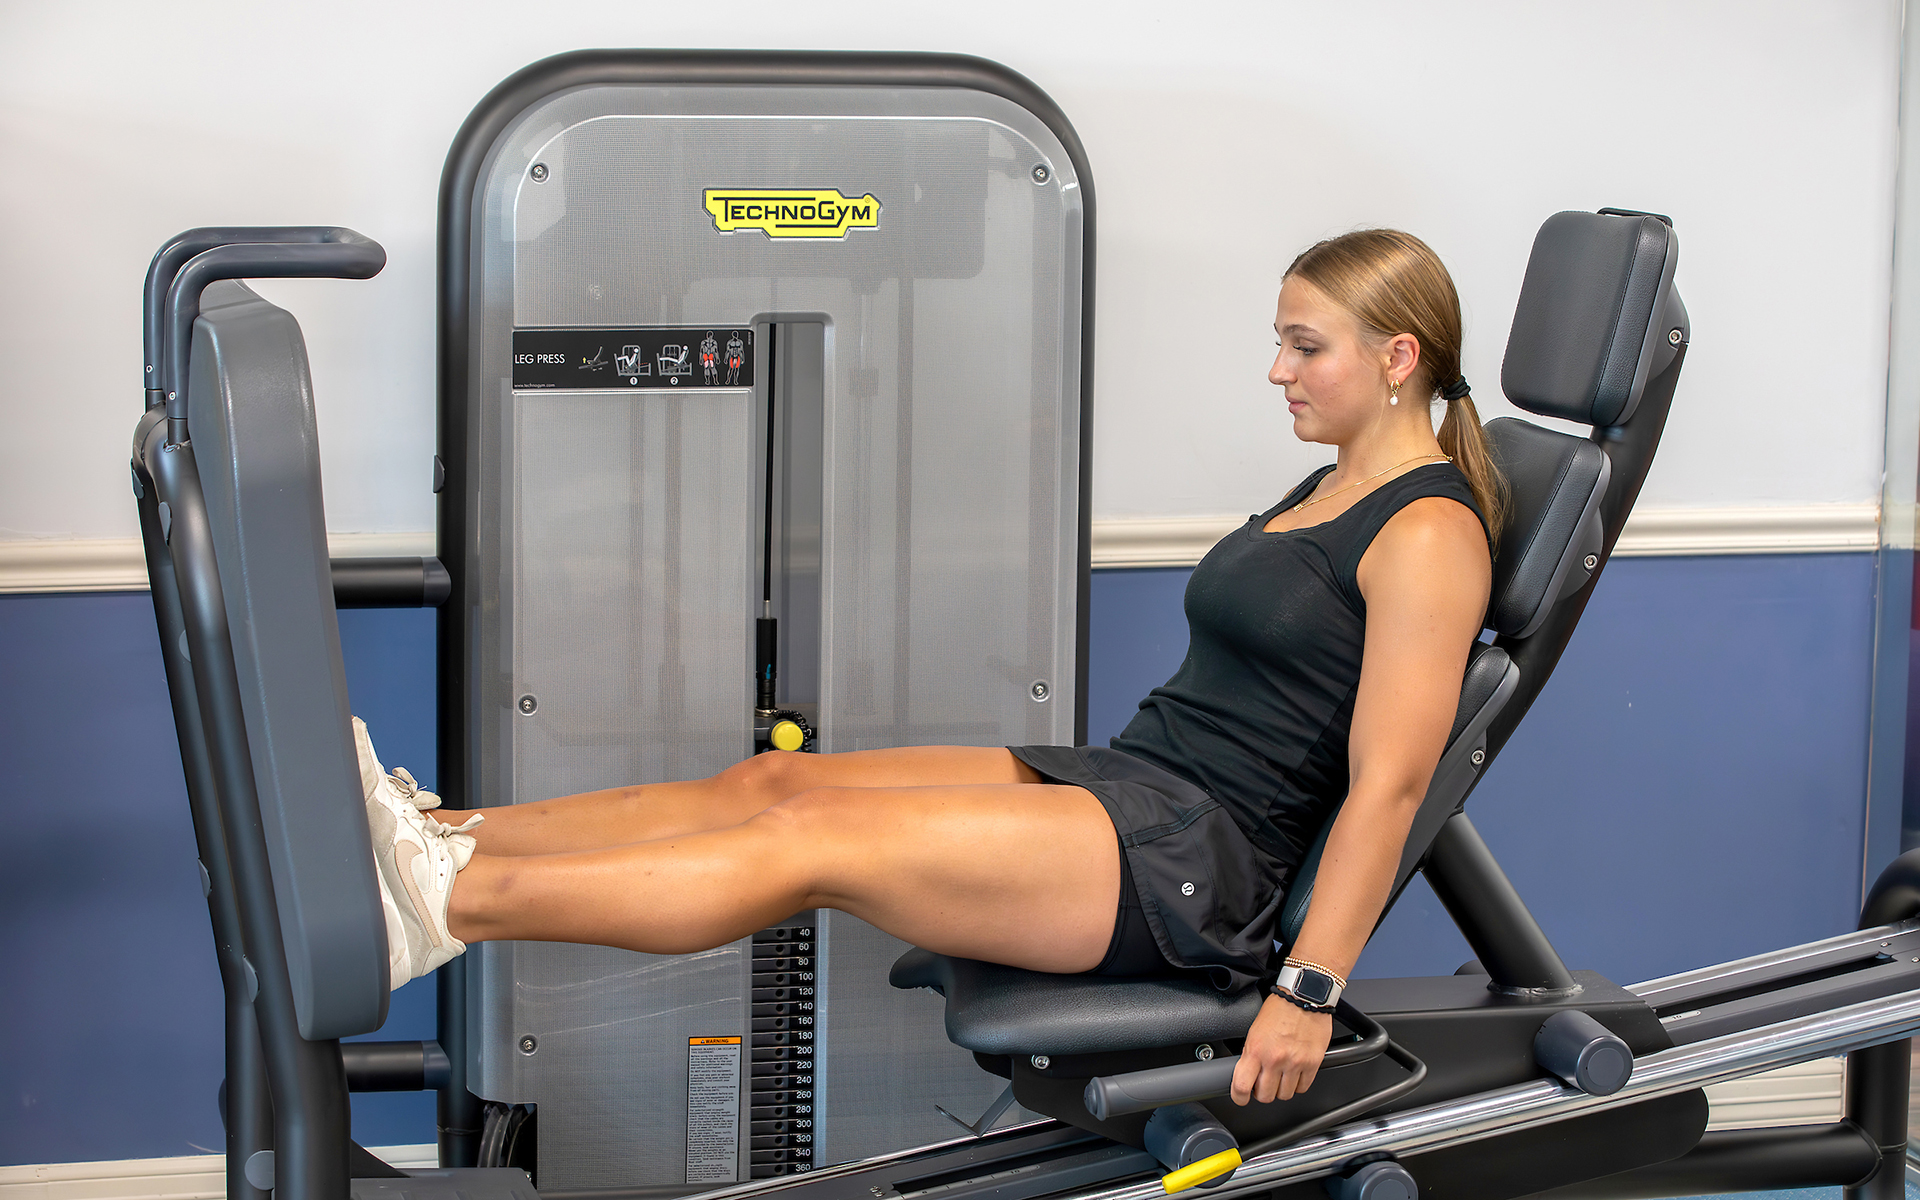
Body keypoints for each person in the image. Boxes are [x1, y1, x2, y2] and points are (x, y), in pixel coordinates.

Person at [359, 228, 1503, 1112]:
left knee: (807, 846)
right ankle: (448, 834)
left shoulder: (1428, 533)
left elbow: (1390, 786)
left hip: (1194, 870)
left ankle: (445, 905)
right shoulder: (1333, 483)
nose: (1277, 370)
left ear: (1397, 357)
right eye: (1282, 341)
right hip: (1133, 786)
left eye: (1306, 347)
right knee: (777, 782)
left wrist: (1309, 991)